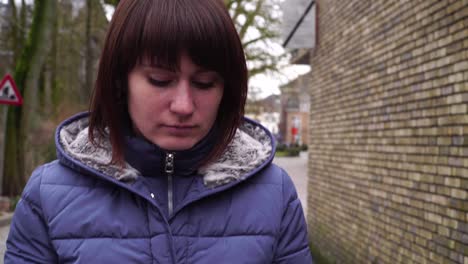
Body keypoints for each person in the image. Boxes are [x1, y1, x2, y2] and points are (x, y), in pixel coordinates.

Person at [5, 0, 313, 263]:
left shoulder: (276, 194)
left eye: (204, 83)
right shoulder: (47, 195)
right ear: (119, 81)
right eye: (160, 80)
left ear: (227, 90)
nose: (183, 105)